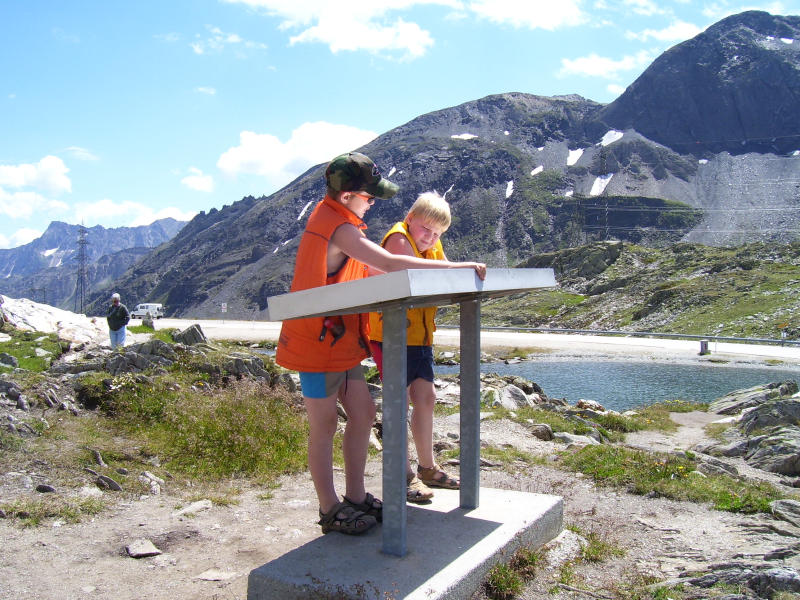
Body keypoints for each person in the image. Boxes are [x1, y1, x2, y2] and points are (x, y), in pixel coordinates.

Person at [275, 152, 486, 536]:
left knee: (364, 411)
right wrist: (461, 267)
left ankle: (356, 496)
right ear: (347, 196)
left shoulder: (344, 223)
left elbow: (371, 271)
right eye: (369, 196)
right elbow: (390, 265)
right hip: (316, 341)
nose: (372, 202)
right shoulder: (335, 226)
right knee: (322, 425)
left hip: (339, 340)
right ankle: (329, 508)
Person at [368, 192, 462, 504]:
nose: (430, 237)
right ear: (410, 219)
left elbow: (444, 270)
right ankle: (403, 475)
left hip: (420, 336)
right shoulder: (398, 238)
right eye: (425, 229)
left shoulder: (432, 243)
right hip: (391, 334)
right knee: (398, 402)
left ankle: (427, 467)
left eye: (437, 233)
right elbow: (411, 274)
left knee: (426, 396)